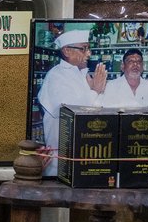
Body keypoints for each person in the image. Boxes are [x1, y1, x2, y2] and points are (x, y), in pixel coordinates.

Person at [37, 29, 107, 174]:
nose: (89, 54)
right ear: (67, 51)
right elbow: (66, 110)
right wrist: (94, 91)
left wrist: (96, 90)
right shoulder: (56, 76)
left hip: (85, 154)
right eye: (83, 49)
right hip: (60, 161)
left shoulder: (83, 74)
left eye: (89, 48)